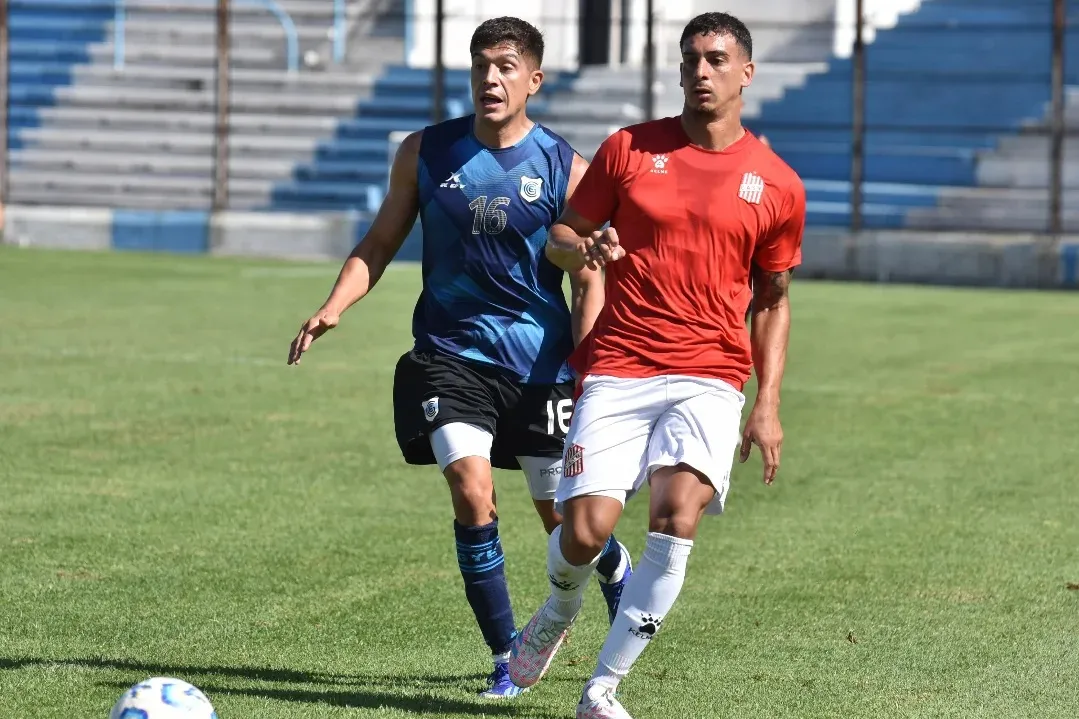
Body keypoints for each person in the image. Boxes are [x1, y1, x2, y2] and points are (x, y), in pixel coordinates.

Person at [286, 16, 633, 700]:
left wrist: (590, 366)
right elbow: (380, 240)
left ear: (533, 79)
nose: (490, 79)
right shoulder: (425, 152)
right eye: (481, 65)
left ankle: (615, 568)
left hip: (541, 367)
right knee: (472, 493)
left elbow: (589, 274)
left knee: (565, 524)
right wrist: (335, 305)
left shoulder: (566, 168)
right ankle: (509, 654)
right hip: (450, 357)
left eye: (505, 66)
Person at [508, 12, 806, 719]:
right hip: (618, 364)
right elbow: (559, 234)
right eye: (690, 59)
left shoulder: (776, 183)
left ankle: (602, 688)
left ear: (745, 73)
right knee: (582, 531)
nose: (700, 71)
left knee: (676, 517)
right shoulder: (628, 150)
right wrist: (580, 251)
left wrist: (766, 404)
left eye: (715, 59)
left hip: (709, 375)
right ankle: (557, 607)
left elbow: (772, 300)